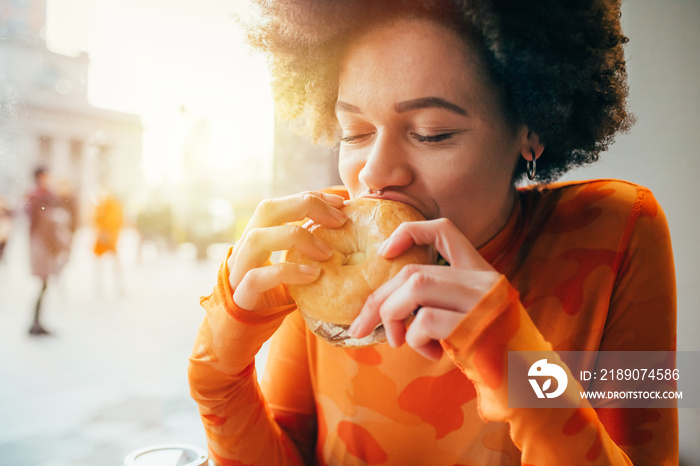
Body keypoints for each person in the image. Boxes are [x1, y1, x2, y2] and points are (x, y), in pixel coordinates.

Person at [188, 1, 677, 464]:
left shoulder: (618, 231)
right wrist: (217, 377)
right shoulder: (320, 259)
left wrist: (520, 370)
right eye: (354, 133)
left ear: (532, 128)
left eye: (431, 133)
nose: (374, 173)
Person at [24, 166, 73, 335]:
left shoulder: (36, 196)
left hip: (40, 244)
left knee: (44, 284)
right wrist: (60, 244)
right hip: (43, 245)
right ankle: (35, 322)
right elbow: (46, 223)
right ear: (42, 176)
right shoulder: (41, 197)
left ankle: (36, 321)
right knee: (43, 283)